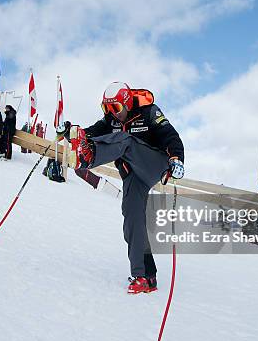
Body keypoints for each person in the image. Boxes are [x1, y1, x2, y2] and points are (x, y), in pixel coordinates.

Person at [58, 82, 184, 294]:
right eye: (106, 109)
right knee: (132, 220)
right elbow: (91, 134)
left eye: (115, 108)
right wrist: (71, 132)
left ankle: (90, 158)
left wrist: (176, 158)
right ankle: (144, 276)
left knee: (125, 140)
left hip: (154, 163)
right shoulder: (111, 120)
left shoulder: (149, 112)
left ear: (126, 102)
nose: (112, 114)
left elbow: (170, 135)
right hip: (134, 175)